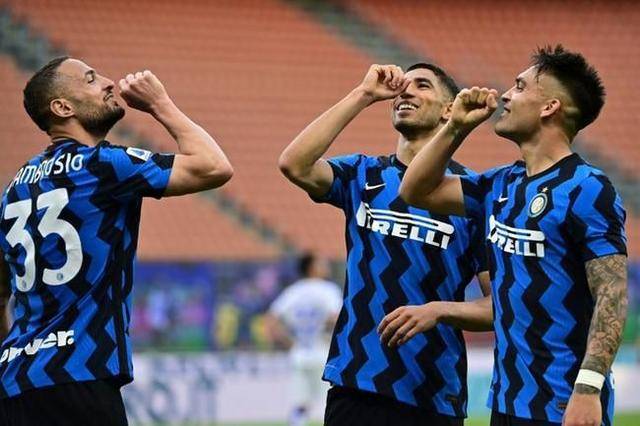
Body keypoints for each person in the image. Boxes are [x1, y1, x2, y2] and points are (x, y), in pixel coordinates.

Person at [398, 45, 627, 426]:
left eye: (519, 87)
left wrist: (588, 389)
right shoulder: (502, 184)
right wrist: (455, 126)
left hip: (563, 403)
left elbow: (612, 295)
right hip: (508, 400)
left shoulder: (587, 187)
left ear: (549, 107)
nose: (505, 95)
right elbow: (414, 191)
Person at [0, 56, 233, 425]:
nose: (108, 82)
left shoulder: (12, 191)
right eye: (90, 79)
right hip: (81, 374)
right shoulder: (102, 165)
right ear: (62, 108)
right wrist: (159, 104)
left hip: (14, 384)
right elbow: (214, 166)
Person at [279, 63, 491, 426]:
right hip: (356, 381)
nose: (406, 91)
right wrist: (363, 94)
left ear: (449, 109)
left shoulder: (470, 195)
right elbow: (294, 164)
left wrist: (438, 311)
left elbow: (500, 306)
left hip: (432, 391)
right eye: (404, 86)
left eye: (422, 85)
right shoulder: (364, 175)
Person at [264, 252, 342, 426]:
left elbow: (270, 322)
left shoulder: (293, 292)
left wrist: (290, 343)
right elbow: (337, 317)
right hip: (323, 355)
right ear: (312, 267)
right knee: (330, 404)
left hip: (299, 355)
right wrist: (326, 330)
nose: (326, 266)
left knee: (300, 406)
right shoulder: (327, 290)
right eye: (321, 263)